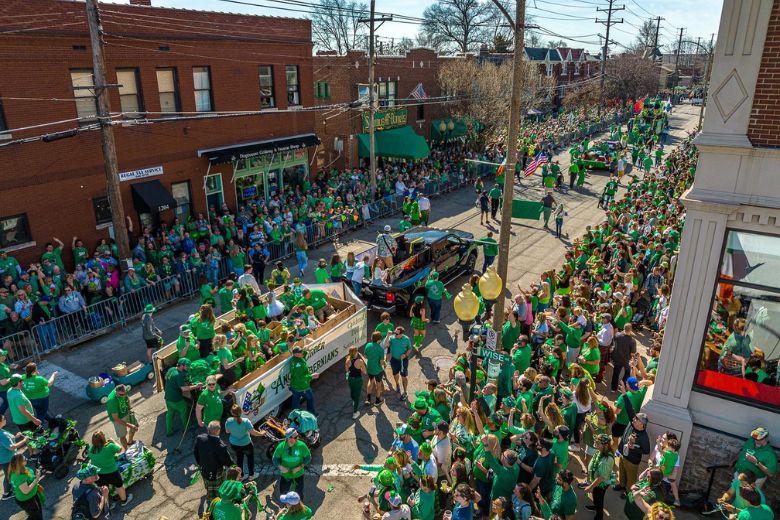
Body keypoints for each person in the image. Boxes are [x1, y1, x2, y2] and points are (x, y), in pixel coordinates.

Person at [87, 431, 133, 507]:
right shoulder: (110, 446)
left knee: (104, 489)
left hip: (98, 474)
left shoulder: (90, 450)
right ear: (103, 438)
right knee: (119, 486)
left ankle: (108, 505)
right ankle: (124, 501)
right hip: (111, 472)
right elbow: (120, 449)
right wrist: (113, 441)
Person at [194, 420, 235, 504]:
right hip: (217, 472)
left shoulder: (200, 438)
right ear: (218, 431)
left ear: (208, 429)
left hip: (204, 469)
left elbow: (196, 453)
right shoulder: (220, 446)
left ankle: (209, 499)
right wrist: (234, 467)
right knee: (219, 489)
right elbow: (227, 461)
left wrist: (200, 464)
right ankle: (218, 503)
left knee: (208, 486)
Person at [225, 405, 264, 480]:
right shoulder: (246, 421)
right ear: (241, 412)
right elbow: (253, 433)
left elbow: (227, 431)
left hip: (235, 444)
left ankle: (241, 476)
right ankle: (251, 475)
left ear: (231, 413)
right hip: (246, 444)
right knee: (250, 459)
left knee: (239, 459)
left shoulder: (228, 421)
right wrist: (261, 433)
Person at [581, 434, 614, 520]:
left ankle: (599, 516)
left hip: (601, 483)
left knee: (599, 499)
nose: (595, 444)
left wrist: (591, 487)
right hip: (596, 480)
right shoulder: (600, 451)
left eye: (598, 443)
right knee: (596, 496)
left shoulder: (606, 459)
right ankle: (596, 506)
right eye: (595, 442)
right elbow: (595, 464)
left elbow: (601, 477)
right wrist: (589, 473)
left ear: (605, 445)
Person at [164, 358, 200, 437]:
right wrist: (195, 386)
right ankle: (186, 428)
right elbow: (183, 389)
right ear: (182, 366)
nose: (188, 368)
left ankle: (169, 432)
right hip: (176, 399)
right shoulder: (178, 375)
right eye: (187, 366)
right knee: (184, 412)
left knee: (169, 414)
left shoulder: (172, 369)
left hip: (167, 397)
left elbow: (167, 378)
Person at [272, 428, 312, 498]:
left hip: (298, 474)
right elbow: (275, 459)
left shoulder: (301, 445)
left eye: (297, 436)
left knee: (299, 495)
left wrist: (300, 467)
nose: (298, 438)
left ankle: (299, 507)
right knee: (283, 493)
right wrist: (281, 467)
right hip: (285, 475)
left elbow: (308, 457)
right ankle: (286, 506)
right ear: (289, 438)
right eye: (295, 437)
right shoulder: (281, 447)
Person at [0, 414, 29, 501]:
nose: (5, 419)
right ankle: (6, 493)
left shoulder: (2, 431)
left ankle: (15, 488)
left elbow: (7, 441)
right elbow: (11, 447)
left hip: (5, 458)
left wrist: (16, 436)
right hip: (6, 459)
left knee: (10, 474)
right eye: (4, 418)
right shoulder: (1, 434)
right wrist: (24, 440)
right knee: (9, 475)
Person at [9, 453, 43, 519]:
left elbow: (29, 477)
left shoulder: (23, 468)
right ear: (20, 463)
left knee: (36, 514)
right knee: (37, 517)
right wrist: (37, 478)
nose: (26, 459)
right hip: (27, 500)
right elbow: (26, 491)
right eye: (24, 459)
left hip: (32, 496)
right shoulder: (19, 477)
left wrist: (35, 478)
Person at [105, 383, 138, 449]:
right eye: (121, 395)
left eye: (125, 393)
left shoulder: (123, 391)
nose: (124, 396)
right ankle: (126, 450)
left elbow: (127, 398)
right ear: (116, 392)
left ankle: (130, 441)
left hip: (126, 412)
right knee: (122, 436)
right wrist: (130, 425)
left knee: (135, 426)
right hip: (118, 418)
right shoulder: (112, 401)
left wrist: (129, 408)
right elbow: (116, 419)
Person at [384, 326, 412, 401]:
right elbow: (385, 346)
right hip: (394, 360)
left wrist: (405, 355)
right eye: (395, 332)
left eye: (397, 333)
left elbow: (409, 349)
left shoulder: (406, 339)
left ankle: (405, 391)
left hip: (403, 361)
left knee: (404, 377)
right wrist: (387, 335)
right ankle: (397, 384)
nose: (395, 334)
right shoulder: (392, 338)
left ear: (401, 334)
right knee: (395, 374)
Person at [289, 346, 319, 415]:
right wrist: (311, 376)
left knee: (296, 402)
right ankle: (311, 413)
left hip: (295, 386)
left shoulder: (295, 359)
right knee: (310, 398)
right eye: (300, 352)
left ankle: (295, 416)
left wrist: (305, 350)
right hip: (302, 386)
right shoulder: (297, 365)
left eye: (301, 351)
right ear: (295, 354)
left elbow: (303, 357)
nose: (302, 353)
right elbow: (300, 378)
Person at [611, 324, 637, 392]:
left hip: (617, 359)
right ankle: (621, 386)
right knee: (627, 373)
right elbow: (632, 353)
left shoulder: (617, 335)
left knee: (615, 374)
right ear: (631, 330)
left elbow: (614, 344)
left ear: (623, 328)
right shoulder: (632, 341)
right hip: (626, 360)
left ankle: (613, 389)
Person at [345, 346, 367, 419]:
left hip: (350, 379)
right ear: (356, 352)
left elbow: (347, 371)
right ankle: (355, 413)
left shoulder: (347, 360)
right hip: (358, 380)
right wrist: (360, 368)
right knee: (357, 396)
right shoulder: (360, 361)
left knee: (352, 391)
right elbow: (364, 371)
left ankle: (354, 401)